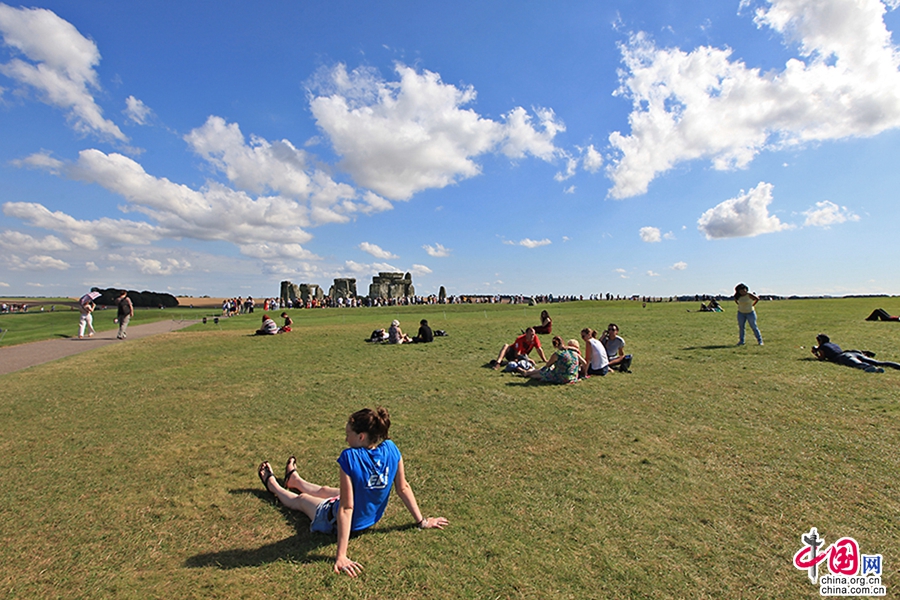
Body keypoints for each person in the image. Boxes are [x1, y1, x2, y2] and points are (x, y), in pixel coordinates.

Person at [257, 407, 448, 577]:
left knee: (302, 500)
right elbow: (403, 487)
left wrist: (341, 556)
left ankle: (273, 484)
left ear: (361, 436)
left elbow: (347, 507)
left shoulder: (350, 457)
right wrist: (422, 521)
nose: (345, 438)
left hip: (337, 519)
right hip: (369, 514)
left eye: (348, 434)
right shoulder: (391, 448)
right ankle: (295, 480)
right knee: (325, 490)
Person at [811, 334, 900, 372]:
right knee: (877, 362)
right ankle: (897, 365)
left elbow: (822, 358)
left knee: (857, 364)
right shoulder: (834, 344)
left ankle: (871, 369)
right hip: (853, 352)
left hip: (843, 356)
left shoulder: (822, 347)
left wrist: (815, 353)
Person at [518, 336, 585, 384]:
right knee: (546, 371)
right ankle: (527, 372)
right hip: (573, 377)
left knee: (540, 374)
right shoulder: (574, 352)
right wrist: (584, 373)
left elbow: (547, 366)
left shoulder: (557, 354)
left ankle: (527, 373)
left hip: (561, 378)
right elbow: (584, 363)